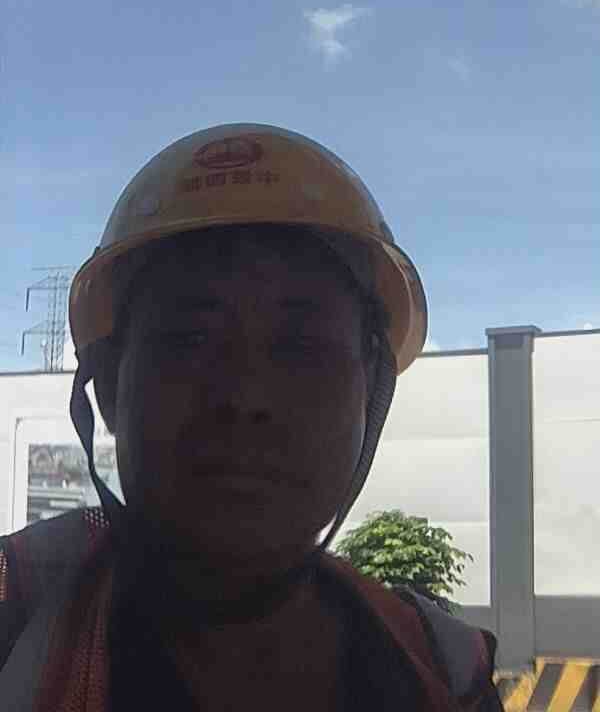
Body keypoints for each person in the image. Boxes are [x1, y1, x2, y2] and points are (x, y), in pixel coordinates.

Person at [0, 123, 502, 711]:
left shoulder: (444, 668)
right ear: (108, 386)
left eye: (302, 346)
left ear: (370, 390)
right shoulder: (16, 606)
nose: (246, 395)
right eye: (190, 340)